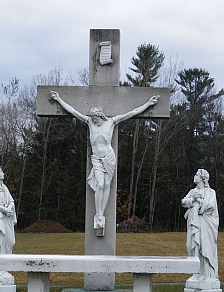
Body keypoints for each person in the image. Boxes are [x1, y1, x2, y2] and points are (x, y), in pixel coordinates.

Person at [50, 91, 159, 232]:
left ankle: (101, 213)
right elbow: (73, 111)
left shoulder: (112, 122)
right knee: (100, 184)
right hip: (96, 159)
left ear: (100, 116)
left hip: (109, 158)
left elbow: (132, 113)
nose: (94, 120)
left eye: (95, 118)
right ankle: (99, 213)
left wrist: (149, 104)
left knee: (107, 184)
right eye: (93, 118)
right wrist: (58, 99)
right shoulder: (89, 122)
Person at [181, 169, 219, 281]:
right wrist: (193, 199)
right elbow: (184, 201)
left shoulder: (210, 192)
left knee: (204, 247)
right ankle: (196, 273)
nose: (194, 176)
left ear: (202, 178)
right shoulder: (193, 191)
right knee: (191, 246)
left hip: (206, 224)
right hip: (193, 223)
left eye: (197, 175)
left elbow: (210, 206)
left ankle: (207, 274)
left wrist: (199, 201)